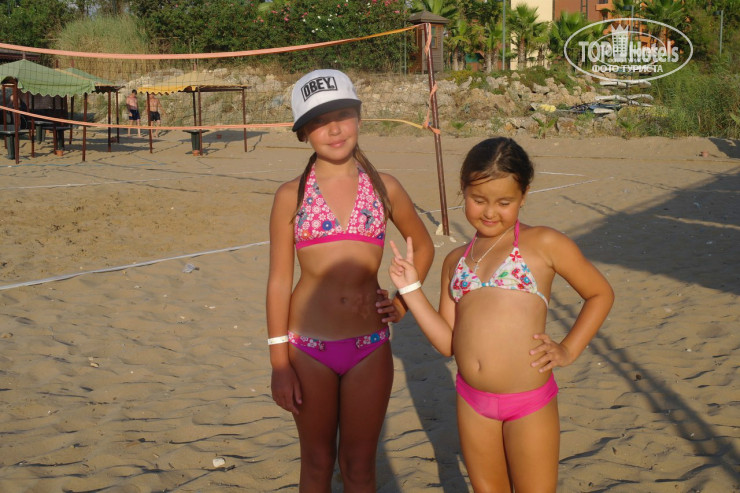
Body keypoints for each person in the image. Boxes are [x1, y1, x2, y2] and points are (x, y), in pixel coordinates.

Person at [388, 137, 614, 492]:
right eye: (478, 200)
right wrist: (412, 290)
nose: (490, 212)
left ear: (524, 196)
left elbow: (600, 294)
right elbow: (447, 344)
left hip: (529, 403)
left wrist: (568, 349)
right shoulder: (455, 261)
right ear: (463, 190)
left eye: (504, 202)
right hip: (472, 402)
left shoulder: (544, 243)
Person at [266, 69, 434, 491]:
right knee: (317, 462)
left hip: (369, 348)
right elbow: (278, 281)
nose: (335, 129)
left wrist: (403, 301)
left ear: (359, 117)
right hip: (308, 349)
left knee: (359, 466)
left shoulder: (384, 188)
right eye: (320, 121)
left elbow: (422, 245)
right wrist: (279, 363)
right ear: (303, 132)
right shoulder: (291, 196)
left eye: (342, 115)